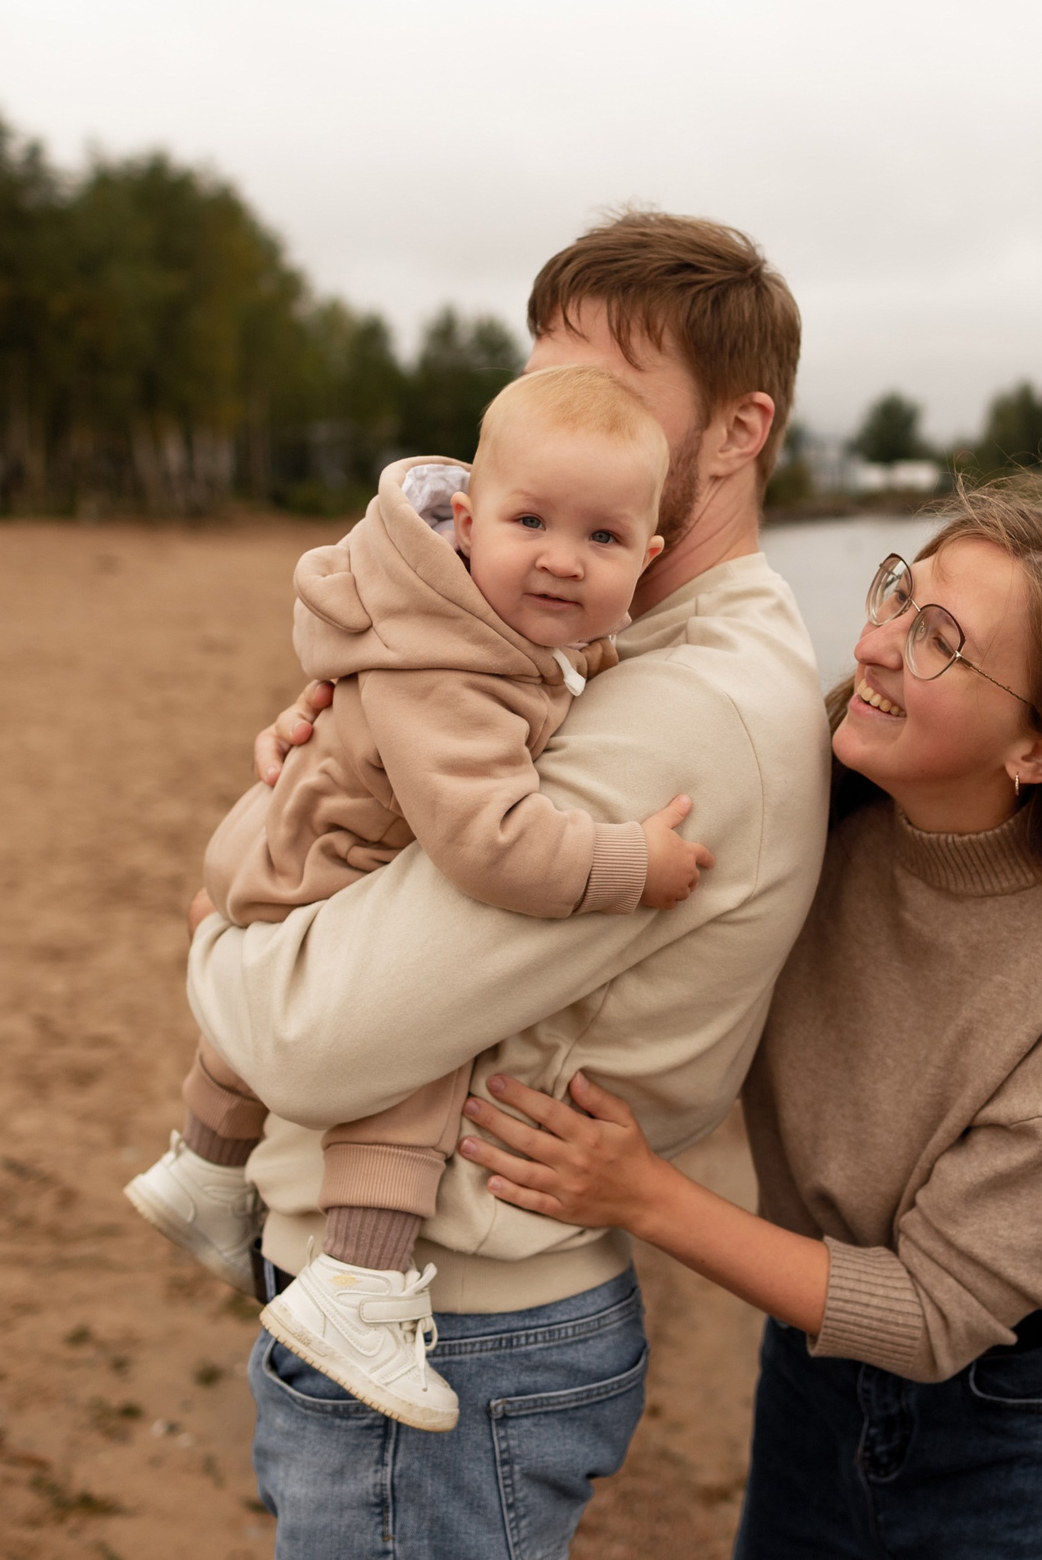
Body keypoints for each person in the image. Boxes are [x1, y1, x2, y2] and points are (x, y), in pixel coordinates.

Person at [456, 490, 1042, 1558]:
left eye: (939, 642)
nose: (873, 645)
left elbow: (929, 1316)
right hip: (812, 1371)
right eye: (897, 593)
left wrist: (641, 1194)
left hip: (1012, 1425)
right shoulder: (814, 827)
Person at [192, 213, 831, 1559]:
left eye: (616, 388)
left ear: (734, 431)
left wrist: (216, 926)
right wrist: (328, 764)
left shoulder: (691, 703)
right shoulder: (587, 647)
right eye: (544, 381)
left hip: (462, 1321)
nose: (566, 418)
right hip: (433, 1305)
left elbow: (314, 1032)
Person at [123, 365, 719, 1434]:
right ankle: (356, 1286)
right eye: (529, 520)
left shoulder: (451, 614)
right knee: (420, 1034)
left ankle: (204, 1172)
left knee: (399, 1001)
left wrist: (593, 657)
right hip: (314, 861)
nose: (557, 558)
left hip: (285, 841)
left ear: (648, 555)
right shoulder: (449, 669)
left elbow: (533, 670)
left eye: (601, 541)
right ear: (464, 516)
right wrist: (630, 866)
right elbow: (492, 847)